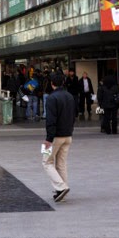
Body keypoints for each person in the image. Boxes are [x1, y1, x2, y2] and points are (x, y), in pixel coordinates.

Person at [42, 73, 76, 203]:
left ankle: (61, 188)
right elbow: (74, 116)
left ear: (52, 83)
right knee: (61, 163)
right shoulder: (70, 96)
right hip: (68, 135)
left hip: (54, 137)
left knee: (46, 162)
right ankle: (62, 191)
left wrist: (48, 139)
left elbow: (50, 120)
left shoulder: (51, 98)